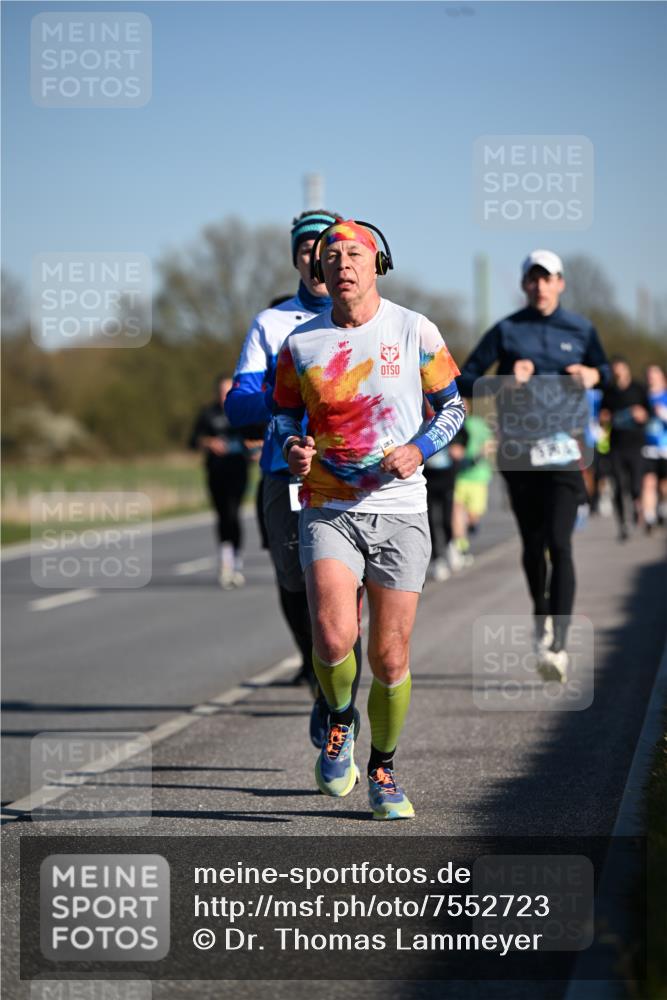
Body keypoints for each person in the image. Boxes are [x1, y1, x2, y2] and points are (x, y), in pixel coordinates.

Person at [273, 218, 464, 819]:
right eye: (332, 256)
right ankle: (338, 720)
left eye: (355, 254)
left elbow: (454, 405)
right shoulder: (301, 344)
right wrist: (291, 447)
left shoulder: (414, 329)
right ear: (318, 270)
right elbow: (280, 418)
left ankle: (383, 768)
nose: (342, 264)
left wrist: (420, 447)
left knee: (389, 657)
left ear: (377, 262)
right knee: (332, 636)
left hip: (400, 510)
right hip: (328, 505)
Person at [225, 211, 363, 748]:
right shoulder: (272, 324)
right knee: (294, 583)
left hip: (349, 478)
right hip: (286, 474)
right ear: (298, 260)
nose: (317, 256)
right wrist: (290, 395)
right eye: (306, 248)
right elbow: (238, 407)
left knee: (342, 591)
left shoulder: (367, 321)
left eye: (328, 247)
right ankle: (323, 682)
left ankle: (340, 701)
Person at [458, 249, 609, 681]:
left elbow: (607, 372)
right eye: (533, 279)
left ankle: (558, 646)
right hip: (519, 453)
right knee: (532, 546)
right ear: (525, 285)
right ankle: (540, 613)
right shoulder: (507, 330)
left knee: (560, 544)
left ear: (561, 283)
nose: (541, 286)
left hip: (564, 453)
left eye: (549, 278)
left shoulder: (581, 329)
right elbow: (463, 377)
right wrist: (507, 379)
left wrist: (595, 376)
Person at [189, 374, 260, 588]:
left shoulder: (243, 412)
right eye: (221, 392)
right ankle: (225, 561)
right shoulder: (208, 414)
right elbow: (193, 440)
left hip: (238, 471)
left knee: (233, 513)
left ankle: (235, 562)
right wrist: (210, 443)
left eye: (228, 392)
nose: (224, 396)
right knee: (222, 515)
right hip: (216, 472)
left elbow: (257, 438)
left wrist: (256, 450)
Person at [600, 356, 651, 541]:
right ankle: (623, 523)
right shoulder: (609, 391)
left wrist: (643, 415)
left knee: (636, 486)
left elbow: (650, 413)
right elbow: (602, 415)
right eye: (615, 370)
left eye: (621, 369)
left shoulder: (638, 389)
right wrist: (603, 418)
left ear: (627, 370)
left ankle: (638, 508)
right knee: (619, 485)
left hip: (636, 444)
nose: (618, 373)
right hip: (616, 445)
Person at [451, 398, 494, 563]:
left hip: (478, 476)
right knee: (456, 511)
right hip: (459, 477)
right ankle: (460, 546)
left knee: (473, 515)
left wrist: (481, 453)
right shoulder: (450, 426)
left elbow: (490, 442)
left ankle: (471, 526)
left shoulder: (478, 424)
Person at [425, 424, 468, 581]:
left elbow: (463, 433)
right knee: (429, 520)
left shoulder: (444, 413)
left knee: (446, 518)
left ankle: (451, 547)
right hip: (426, 477)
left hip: (446, 477)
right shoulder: (419, 417)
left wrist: (460, 447)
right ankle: (437, 560)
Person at [640, 363, 667, 532]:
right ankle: (649, 517)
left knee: (664, 485)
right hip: (646, 447)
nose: (651, 377)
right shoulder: (643, 396)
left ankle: (663, 509)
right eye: (649, 374)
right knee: (648, 482)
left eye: (654, 374)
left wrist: (663, 413)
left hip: (664, 447)